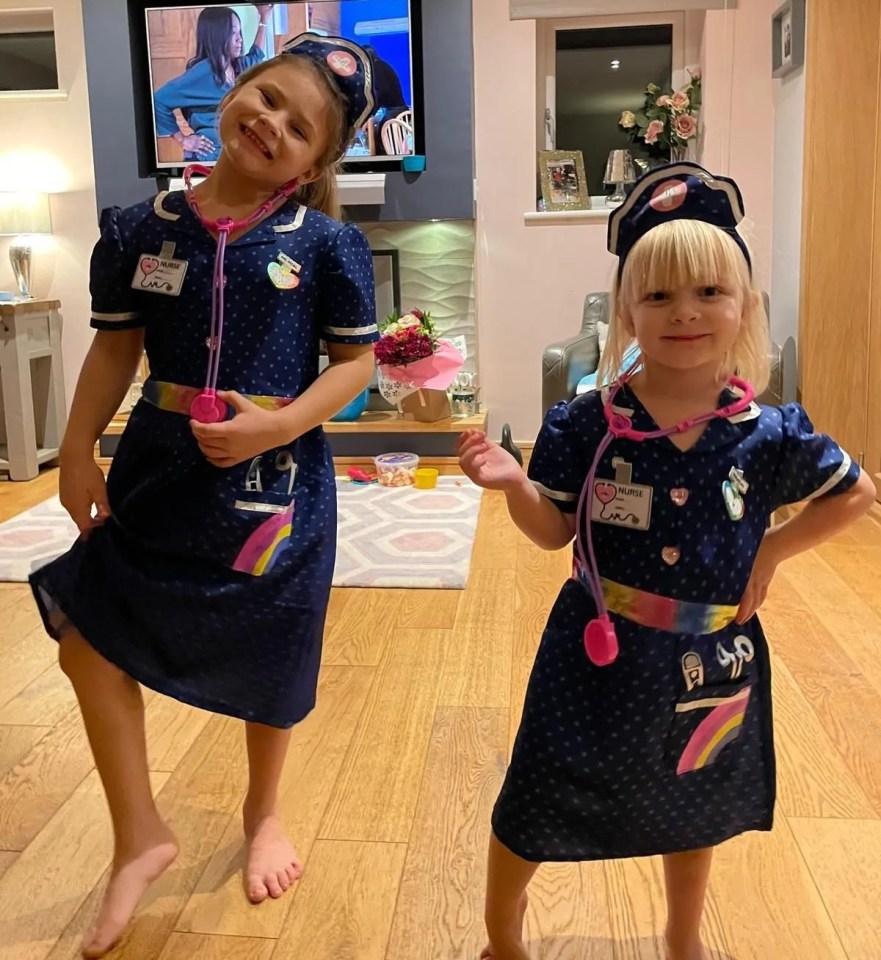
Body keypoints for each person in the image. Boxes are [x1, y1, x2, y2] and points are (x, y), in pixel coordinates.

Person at [457, 162, 877, 960]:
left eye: (708, 293)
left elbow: (853, 494)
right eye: (656, 297)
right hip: (592, 654)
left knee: (697, 800)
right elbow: (551, 533)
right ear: (624, 311)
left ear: (745, 305)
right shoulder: (586, 422)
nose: (683, 313)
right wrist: (514, 484)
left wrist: (772, 554)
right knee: (539, 793)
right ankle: (500, 939)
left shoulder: (770, 431)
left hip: (709, 659)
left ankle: (683, 940)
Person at [30, 32, 378, 958]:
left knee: (275, 647)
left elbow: (357, 363)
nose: (270, 124)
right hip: (158, 470)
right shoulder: (141, 230)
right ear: (235, 88)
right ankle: (138, 832)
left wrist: (280, 423)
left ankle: (263, 814)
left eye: (298, 127)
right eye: (266, 98)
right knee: (85, 626)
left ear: (313, 163)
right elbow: (113, 346)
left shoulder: (327, 245)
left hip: (274, 486)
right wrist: (75, 450)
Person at [153, 4, 275, 162]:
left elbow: (256, 55)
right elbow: (159, 101)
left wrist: (264, 17)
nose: (239, 39)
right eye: (232, 33)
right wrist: (183, 140)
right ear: (217, 35)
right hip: (210, 159)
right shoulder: (203, 72)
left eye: (239, 32)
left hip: (236, 156)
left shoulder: (238, 66)